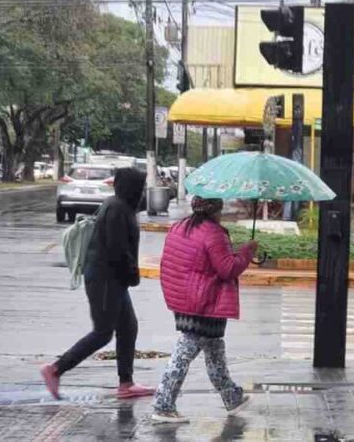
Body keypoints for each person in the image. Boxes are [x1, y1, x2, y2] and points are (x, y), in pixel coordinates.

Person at [41, 167, 154, 400]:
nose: (142, 192)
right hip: (105, 279)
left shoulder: (121, 206)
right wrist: (132, 273)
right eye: (140, 187)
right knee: (103, 332)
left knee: (128, 327)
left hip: (114, 279)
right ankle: (55, 369)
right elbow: (117, 250)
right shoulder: (117, 209)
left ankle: (126, 383)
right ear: (130, 187)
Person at [151, 197, 258, 423]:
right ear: (216, 210)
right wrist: (247, 251)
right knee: (185, 352)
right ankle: (163, 404)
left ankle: (231, 396)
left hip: (186, 299)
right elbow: (227, 269)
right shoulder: (214, 233)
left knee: (214, 348)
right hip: (204, 302)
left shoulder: (181, 226)